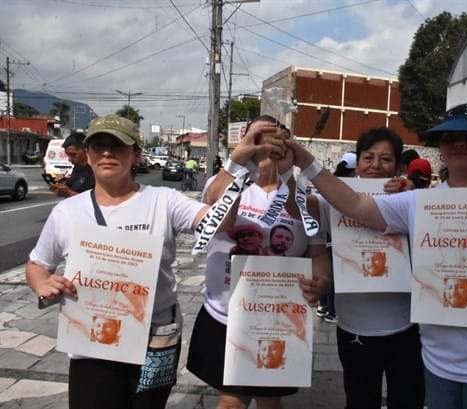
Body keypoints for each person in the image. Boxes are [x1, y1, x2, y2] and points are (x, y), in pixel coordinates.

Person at [282, 103, 467, 409]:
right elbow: (356, 205)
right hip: (438, 363)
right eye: (450, 138)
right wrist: (305, 161)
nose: (460, 144)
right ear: (441, 148)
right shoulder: (420, 202)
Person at [24, 114, 225, 409]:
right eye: (98, 146)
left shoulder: (164, 200)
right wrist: (42, 283)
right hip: (90, 342)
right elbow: (37, 264)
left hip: (155, 340)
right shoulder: (66, 212)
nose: (107, 153)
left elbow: (217, 222)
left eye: (117, 146)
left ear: (135, 155)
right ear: (89, 156)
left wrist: (236, 163)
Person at [186, 114, 330, 409]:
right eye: (260, 141)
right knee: (231, 403)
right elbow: (212, 214)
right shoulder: (225, 181)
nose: (271, 149)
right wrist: (240, 163)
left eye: (280, 141)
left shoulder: (307, 199)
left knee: (269, 402)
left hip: (277, 318)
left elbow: (317, 253)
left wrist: (321, 281)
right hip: (223, 315)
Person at [311, 127, 425, 409]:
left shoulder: (412, 201)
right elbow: (300, 207)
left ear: (398, 165)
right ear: (358, 161)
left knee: (408, 400)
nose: (375, 165)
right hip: (355, 328)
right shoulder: (335, 199)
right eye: (368, 157)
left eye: (385, 159)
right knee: (360, 401)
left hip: (406, 326)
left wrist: (414, 191)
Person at [317, 151, 357, 322]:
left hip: (326, 233)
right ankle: (332, 312)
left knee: (327, 272)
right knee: (335, 275)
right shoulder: (352, 186)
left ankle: (322, 306)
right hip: (340, 235)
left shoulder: (331, 183)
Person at [48, 132, 95, 197]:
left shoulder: (96, 170)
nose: (69, 159)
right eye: (68, 155)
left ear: (85, 150)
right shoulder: (77, 168)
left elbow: (97, 200)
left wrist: (69, 193)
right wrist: (61, 184)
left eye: (73, 154)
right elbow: (73, 187)